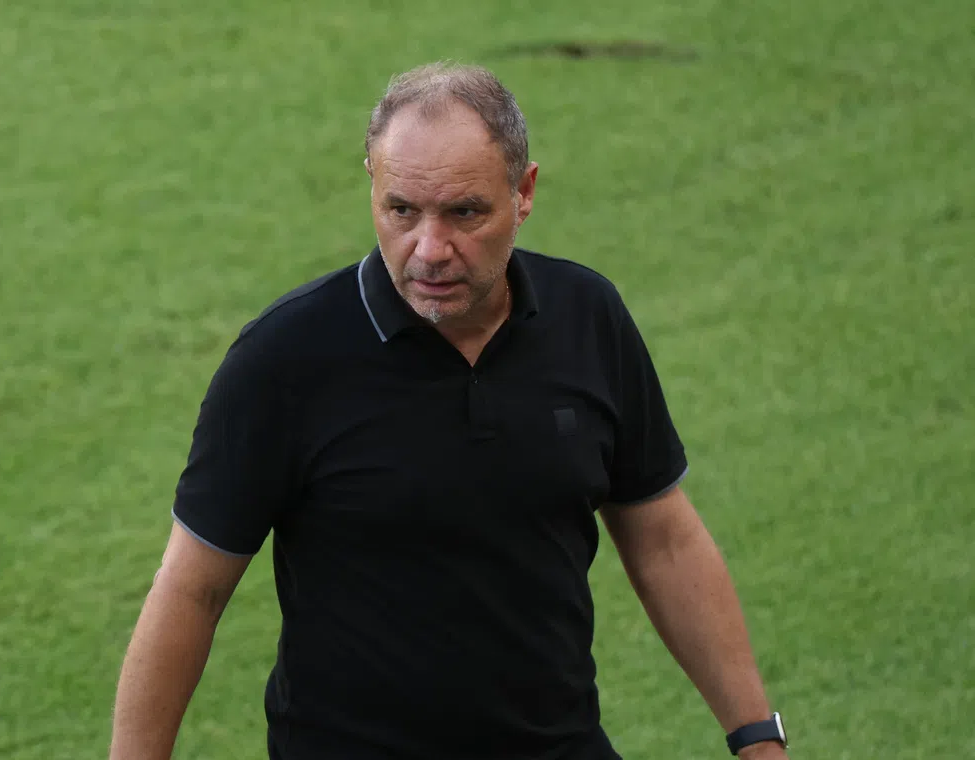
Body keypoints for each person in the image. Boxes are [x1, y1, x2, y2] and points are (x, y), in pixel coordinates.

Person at [109, 62, 790, 760]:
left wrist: (757, 739)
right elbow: (192, 591)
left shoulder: (587, 318)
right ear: (371, 183)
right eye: (401, 210)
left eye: (464, 213)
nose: (430, 251)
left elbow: (663, 537)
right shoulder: (282, 361)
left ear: (523, 193)